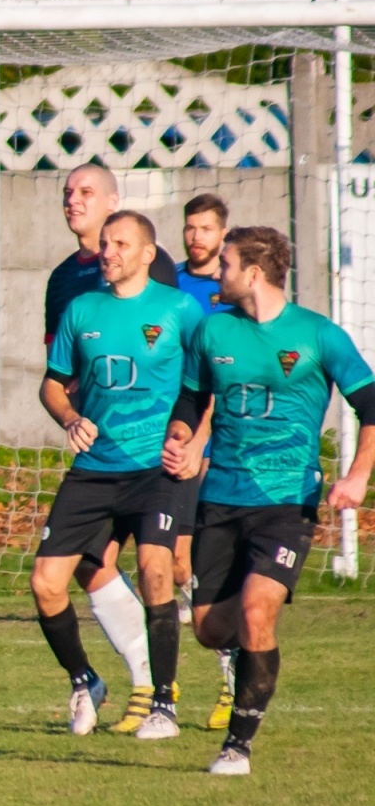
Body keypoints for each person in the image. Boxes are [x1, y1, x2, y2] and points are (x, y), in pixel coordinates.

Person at [163, 225, 375, 776]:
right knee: (210, 629)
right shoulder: (211, 333)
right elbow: (191, 396)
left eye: (226, 264)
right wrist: (181, 437)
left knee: (259, 611)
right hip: (220, 498)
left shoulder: (318, 335)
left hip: (287, 501)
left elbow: (372, 407)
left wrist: (357, 477)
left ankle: (238, 745)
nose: (218, 273)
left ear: (253, 273)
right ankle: (244, 656)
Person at [32, 212, 205, 739]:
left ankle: (163, 705)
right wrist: (69, 416)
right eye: (105, 244)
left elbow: (210, 384)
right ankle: (85, 680)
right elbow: (53, 384)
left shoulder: (179, 310)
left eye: (120, 244)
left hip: (157, 467)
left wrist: (195, 444)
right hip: (94, 469)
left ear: (148, 254)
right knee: (46, 583)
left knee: (158, 568)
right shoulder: (81, 309)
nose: (108, 252)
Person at [173, 192, 239, 731]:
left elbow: (223, 372)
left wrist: (205, 434)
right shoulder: (170, 284)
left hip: (221, 446)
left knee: (212, 568)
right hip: (177, 438)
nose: (196, 237)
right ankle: (163, 681)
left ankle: (230, 679)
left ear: (223, 233)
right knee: (173, 563)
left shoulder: (235, 290)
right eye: (190, 227)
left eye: (206, 228)